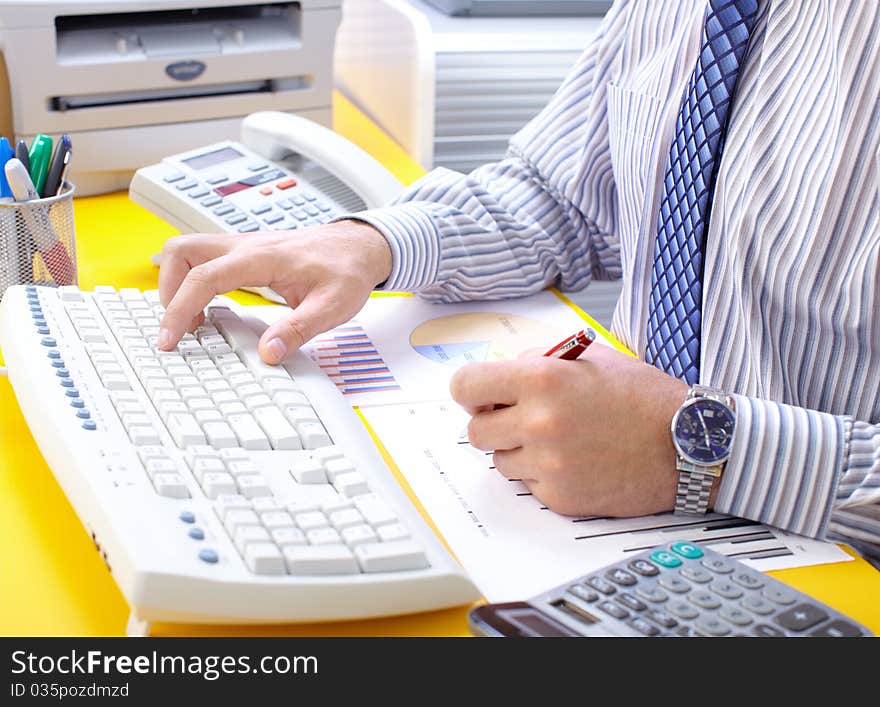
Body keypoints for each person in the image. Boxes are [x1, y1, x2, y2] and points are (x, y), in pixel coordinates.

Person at [156, 0, 880, 563]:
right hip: (614, 531)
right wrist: (371, 241)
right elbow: (565, 194)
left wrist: (705, 453)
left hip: (835, 567)